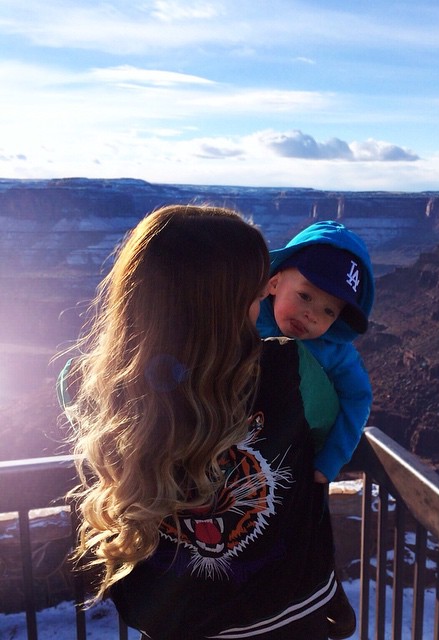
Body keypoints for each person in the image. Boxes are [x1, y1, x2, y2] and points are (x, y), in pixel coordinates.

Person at [58, 205, 342, 640]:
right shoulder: (291, 368)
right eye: (255, 295)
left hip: (170, 621)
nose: (263, 305)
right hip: (286, 616)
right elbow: (323, 428)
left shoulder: (87, 383)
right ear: (228, 306)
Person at [257, 219, 375, 638]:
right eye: (305, 296)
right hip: (243, 457)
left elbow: (358, 399)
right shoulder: (244, 319)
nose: (311, 314)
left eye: (328, 311)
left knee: (309, 527)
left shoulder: (335, 352)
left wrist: (329, 461)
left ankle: (323, 589)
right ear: (274, 282)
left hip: (301, 463)